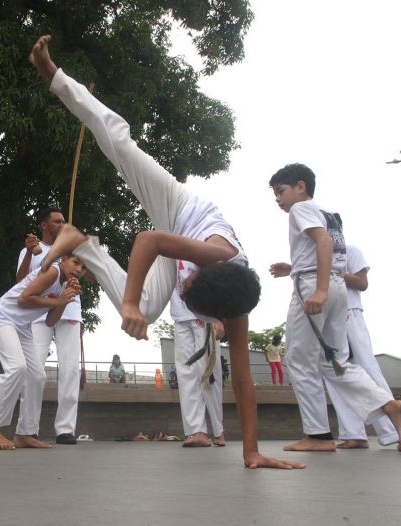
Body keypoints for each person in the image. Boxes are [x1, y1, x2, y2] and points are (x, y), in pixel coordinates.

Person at [29, 35, 304, 469]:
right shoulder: (216, 254)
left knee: (149, 311)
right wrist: (132, 303)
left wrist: (252, 452)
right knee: (120, 145)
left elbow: (245, 381)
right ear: (203, 273)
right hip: (177, 211)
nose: (185, 287)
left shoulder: (236, 302)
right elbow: (148, 240)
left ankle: (80, 242)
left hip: (176, 245)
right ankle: (55, 76)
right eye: (189, 285)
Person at [268, 163, 401, 452]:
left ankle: (318, 436)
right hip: (337, 286)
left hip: (316, 284)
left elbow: (323, 243)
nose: (278, 199)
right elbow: (325, 247)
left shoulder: (300, 209)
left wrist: (320, 289)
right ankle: (388, 405)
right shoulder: (326, 214)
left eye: (281, 192)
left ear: (300, 187)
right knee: (334, 362)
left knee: (300, 360)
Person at [0, 255, 85, 450]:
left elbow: (50, 322)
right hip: (2, 319)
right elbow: (23, 299)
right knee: (17, 368)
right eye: (76, 263)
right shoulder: (52, 272)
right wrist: (57, 301)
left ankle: (24, 433)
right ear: (63, 260)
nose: (79, 269)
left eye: (84, 268)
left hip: (22, 328)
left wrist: (65, 300)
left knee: (37, 376)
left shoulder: (64, 285)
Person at [16, 207, 84, 445]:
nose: (61, 224)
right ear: (43, 225)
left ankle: (65, 429)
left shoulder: (72, 251)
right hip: (37, 312)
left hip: (70, 308)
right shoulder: (33, 250)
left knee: (70, 369)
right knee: (34, 370)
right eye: (57, 221)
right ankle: (27, 428)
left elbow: (94, 277)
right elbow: (20, 280)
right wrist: (27, 253)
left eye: (64, 221)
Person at [324, 242, 398, 449]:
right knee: (336, 374)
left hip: (350, 313)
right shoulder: (312, 253)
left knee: (367, 370)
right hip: (326, 315)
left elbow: (361, 282)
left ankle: (392, 429)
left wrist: (328, 275)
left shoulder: (350, 251)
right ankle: (353, 433)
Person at [171, 280, 225, 447]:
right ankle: (197, 431)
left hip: (203, 312)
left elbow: (213, 273)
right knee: (186, 374)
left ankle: (218, 431)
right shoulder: (164, 256)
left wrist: (217, 316)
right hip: (180, 315)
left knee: (208, 374)